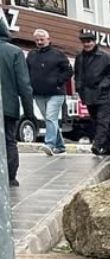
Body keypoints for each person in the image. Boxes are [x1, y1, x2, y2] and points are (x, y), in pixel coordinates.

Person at [73, 31, 110, 156]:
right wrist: (79, 88)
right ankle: (109, 145)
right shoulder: (80, 57)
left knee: (102, 121)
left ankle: (97, 144)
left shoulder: (104, 56)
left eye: (89, 41)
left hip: (103, 94)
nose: (87, 44)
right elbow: (77, 75)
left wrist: (103, 85)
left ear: (94, 42)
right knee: (98, 121)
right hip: (88, 95)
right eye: (84, 42)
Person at [27, 28, 71, 156]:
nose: (40, 42)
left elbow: (68, 71)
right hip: (38, 93)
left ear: (48, 39)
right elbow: (26, 71)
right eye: (37, 40)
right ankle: (61, 146)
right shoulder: (31, 55)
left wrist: (58, 82)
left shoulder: (58, 54)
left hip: (56, 93)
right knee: (49, 119)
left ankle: (49, 144)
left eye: (42, 39)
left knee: (51, 118)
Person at [0, 18, 33, 187]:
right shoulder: (15, 52)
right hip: (8, 106)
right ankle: (10, 176)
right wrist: (29, 113)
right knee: (9, 141)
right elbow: (24, 85)